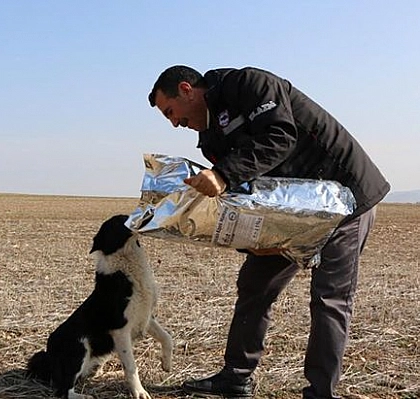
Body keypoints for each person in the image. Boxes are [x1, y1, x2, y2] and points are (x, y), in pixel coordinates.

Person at [148, 65, 390, 399]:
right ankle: (236, 378)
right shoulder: (210, 140)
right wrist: (255, 244)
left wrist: (222, 175)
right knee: (255, 284)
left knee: (328, 299)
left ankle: (320, 393)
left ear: (187, 89)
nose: (175, 123)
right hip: (294, 211)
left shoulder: (249, 84)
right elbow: (247, 196)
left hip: (345, 198)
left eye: (171, 112)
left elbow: (279, 136)